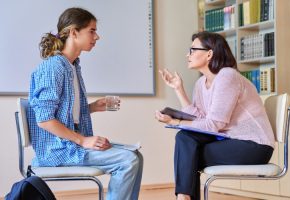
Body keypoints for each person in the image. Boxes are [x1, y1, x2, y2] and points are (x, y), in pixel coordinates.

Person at [27, 7, 143, 200]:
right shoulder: (53, 67)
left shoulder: (72, 65)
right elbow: (45, 120)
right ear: (73, 32)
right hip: (57, 150)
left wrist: (92, 108)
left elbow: (62, 114)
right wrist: (83, 140)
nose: (97, 37)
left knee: (135, 155)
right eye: (92, 30)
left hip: (70, 144)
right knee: (127, 160)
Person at [155, 31, 274, 200]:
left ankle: (182, 198)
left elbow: (213, 125)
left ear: (209, 54)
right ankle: (183, 197)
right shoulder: (200, 84)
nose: (187, 54)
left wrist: (176, 121)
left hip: (254, 145)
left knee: (189, 152)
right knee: (185, 138)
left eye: (192, 50)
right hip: (228, 140)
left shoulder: (227, 76)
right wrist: (178, 89)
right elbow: (201, 120)